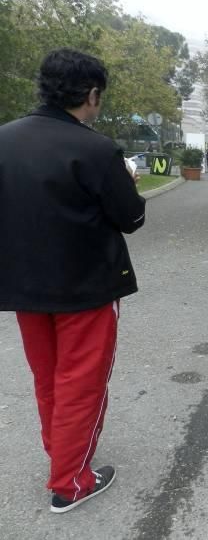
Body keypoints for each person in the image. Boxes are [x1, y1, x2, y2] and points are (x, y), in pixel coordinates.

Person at [0, 48, 146, 513]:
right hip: (85, 286)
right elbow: (131, 217)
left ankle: (63, 454)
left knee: (49, 378)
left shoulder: (4, 139)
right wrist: (127, 177)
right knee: (81, 382)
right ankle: (70, 481)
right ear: (92, 93)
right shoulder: (97, 149)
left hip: (24, 286)